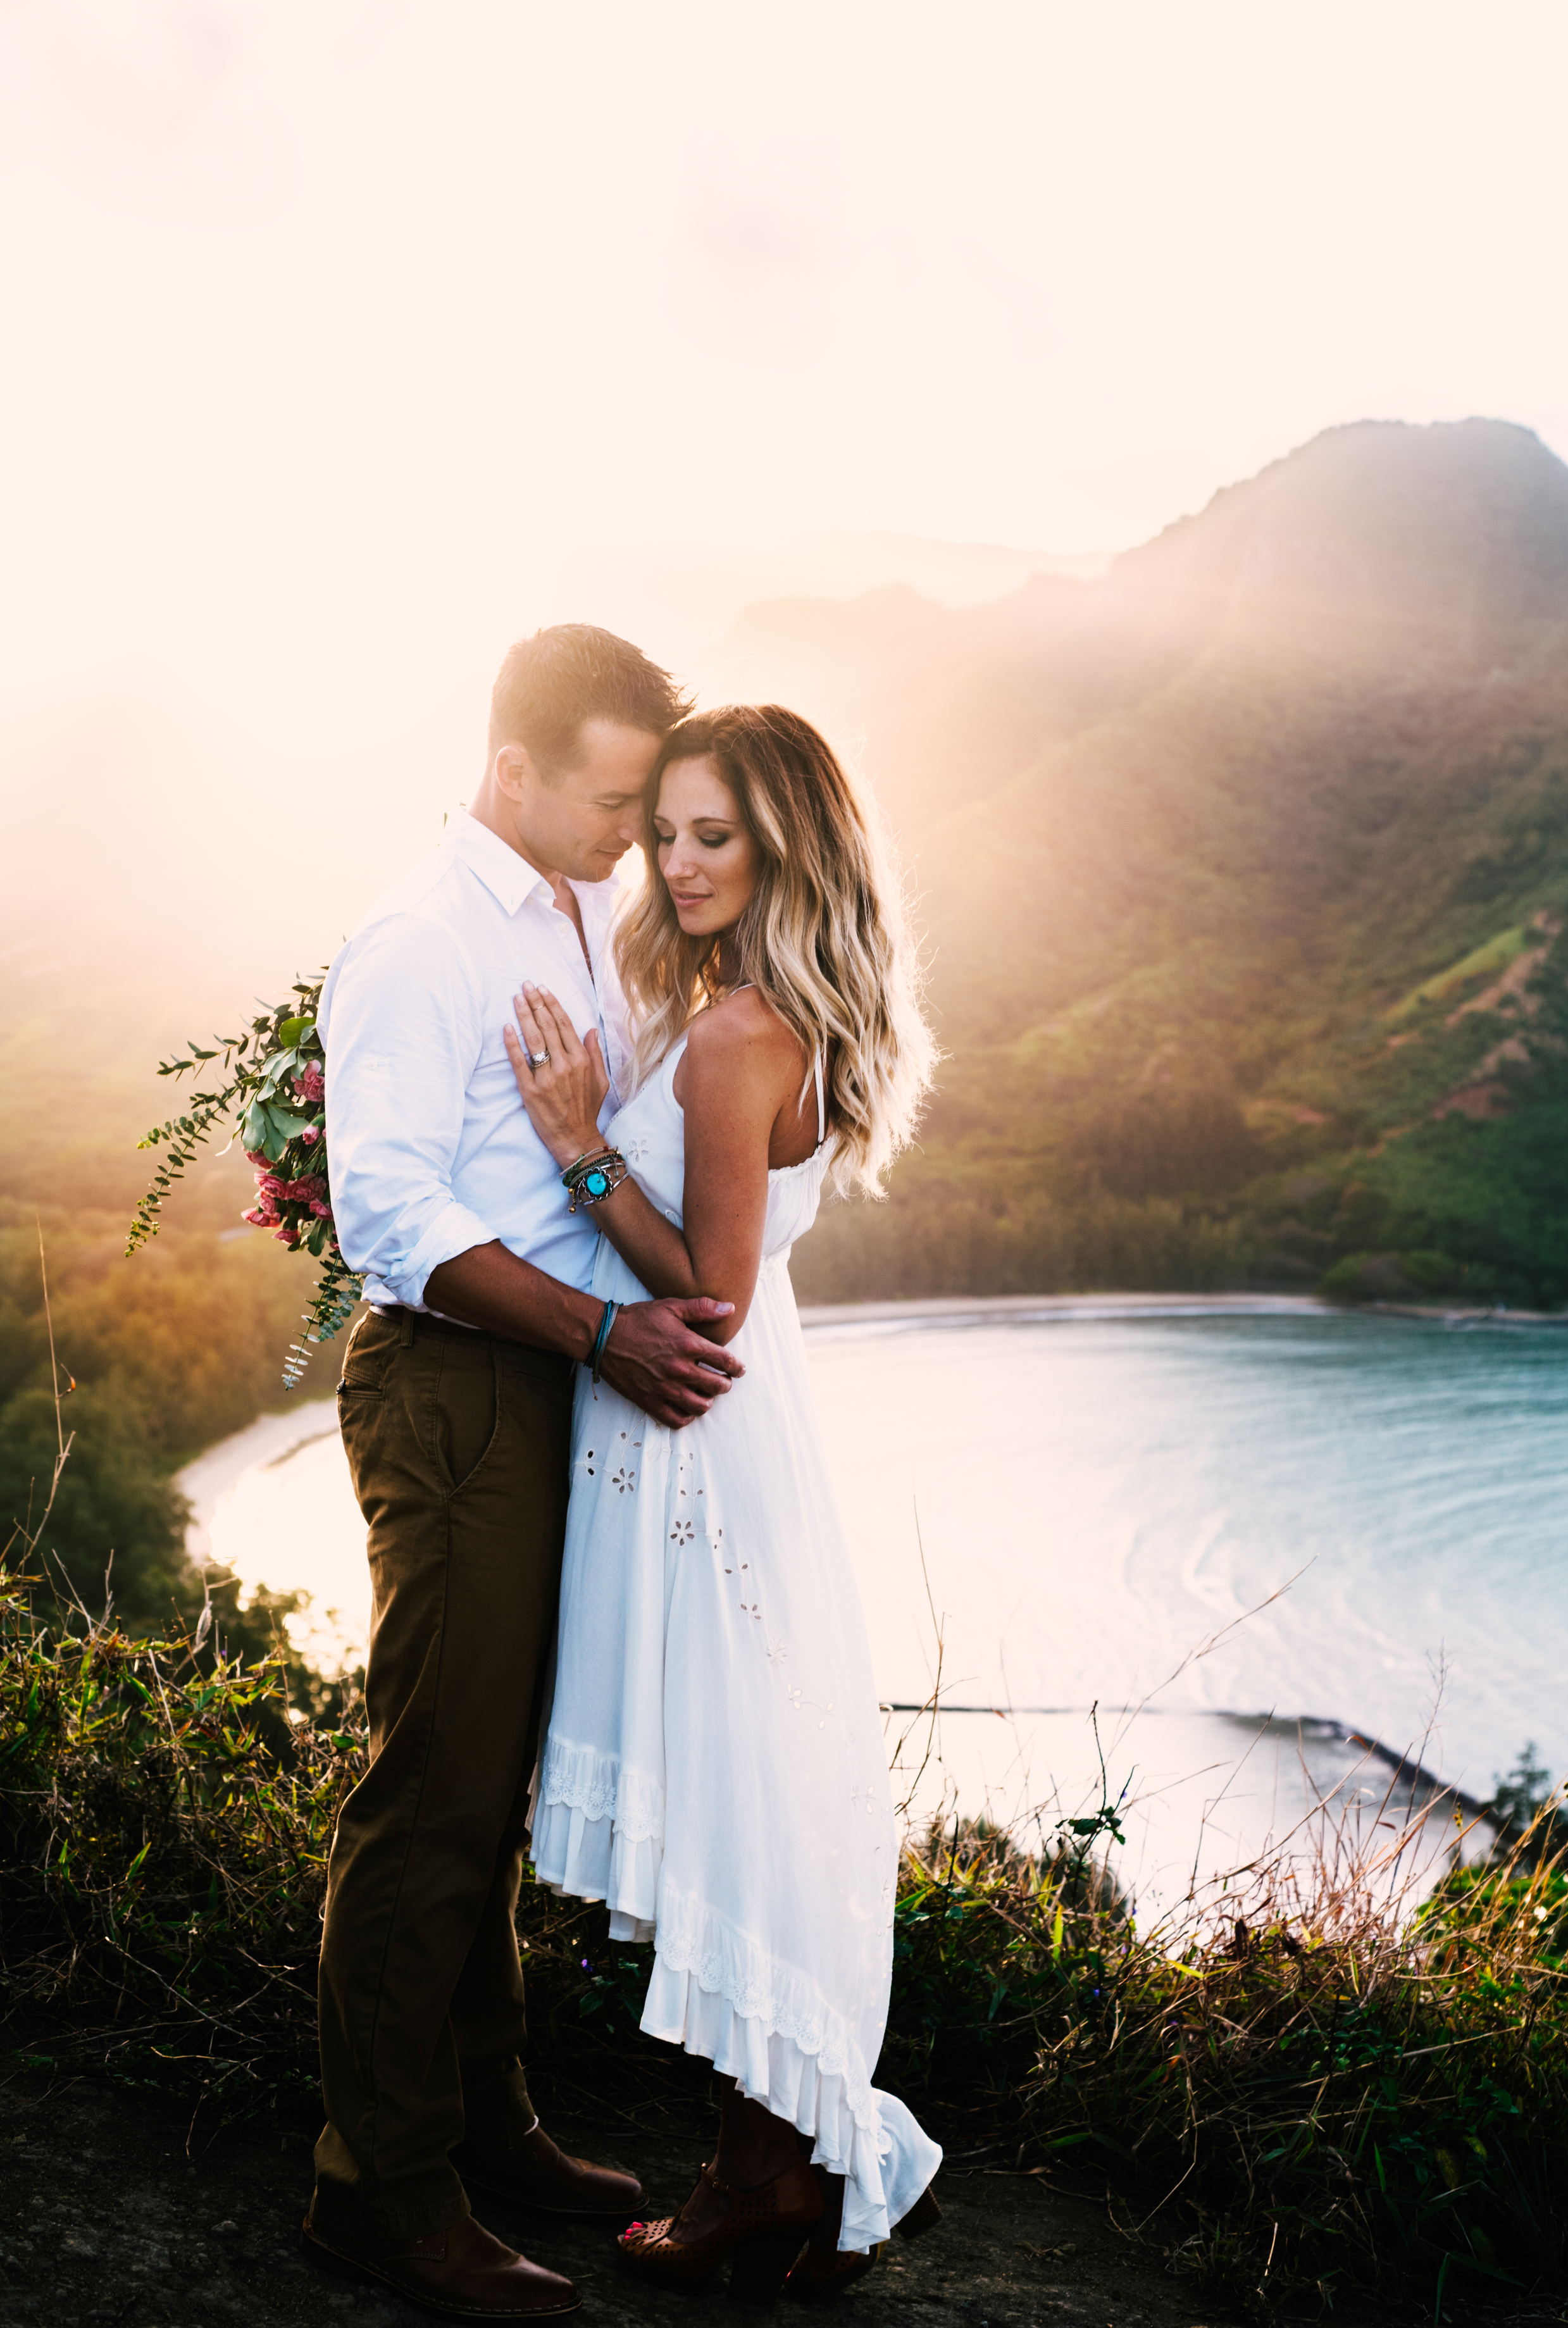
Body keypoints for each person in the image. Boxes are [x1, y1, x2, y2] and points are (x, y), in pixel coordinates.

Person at [303, 627, 749, 2320]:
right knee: (429, 1796)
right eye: (614, 797)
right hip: (460, 1390)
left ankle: (485, 2127)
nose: (636, 836)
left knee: (492, 1790)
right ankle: (378, 2190)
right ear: (511, 769)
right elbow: (394, 1217)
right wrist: (604, 1333)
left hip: (546, 1388)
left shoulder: (575, 909)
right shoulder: (421, 944)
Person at [504, 702, 944, 2302]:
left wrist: (575, 1153)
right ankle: (768, 2162)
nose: (678, 863)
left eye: (714, 837)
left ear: (781, 849)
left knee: (742, 1796)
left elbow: (710, 1293)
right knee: (758, 1780)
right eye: (668, 831)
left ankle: (764, 2180)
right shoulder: (762, 1016)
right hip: (739, 1445)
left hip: (693, 1438)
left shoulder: (739, 1034)